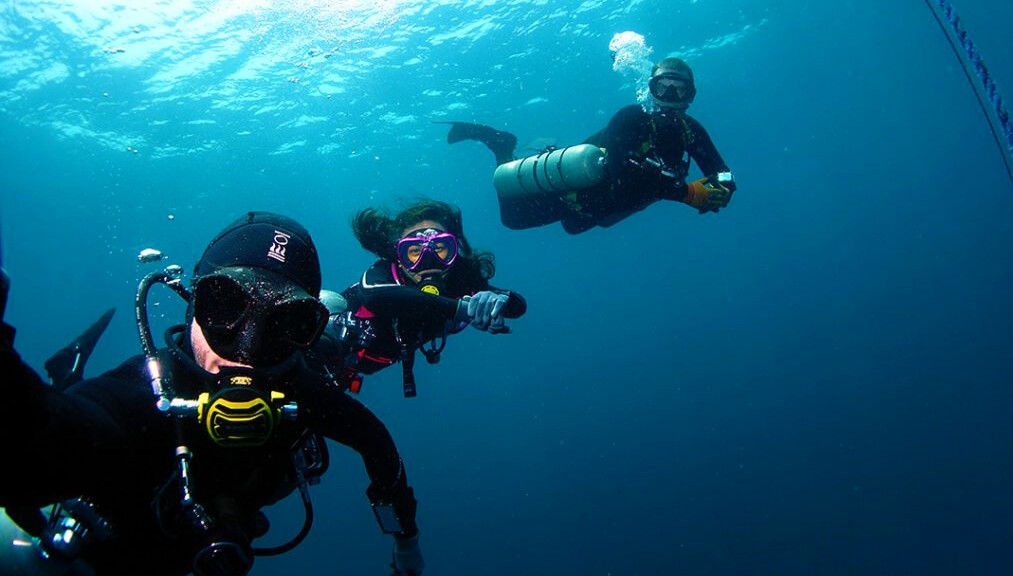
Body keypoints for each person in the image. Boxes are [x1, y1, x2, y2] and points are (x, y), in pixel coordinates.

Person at [0, 212, 425, 576]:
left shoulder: (307, 390)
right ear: (191, 306)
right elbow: (41, 439)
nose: (248, 349)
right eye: (224, 307)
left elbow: (379, 448)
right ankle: (67, 372)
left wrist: (405, 539)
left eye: (287, 323)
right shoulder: (139, 394)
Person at [441, 56, 737, 234]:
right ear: (651, 89)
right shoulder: (631, 118)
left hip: (598, 211)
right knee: (512, 220)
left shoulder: (691, 131)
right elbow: (624, 177)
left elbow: (722, 171)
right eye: (663, 86)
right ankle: (501, 145)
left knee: (572, 228)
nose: (670, 93)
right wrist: (687, 193)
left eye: (678, 88)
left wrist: (722, 190)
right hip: (576, 195)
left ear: (691, 94)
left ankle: (505, 147)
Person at [314, 199, 527, 398]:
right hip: (313, 350)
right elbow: (375, 297)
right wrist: (461, 309)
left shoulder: (460, 281)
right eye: (415, 251)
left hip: (346, 374)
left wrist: (494, 301)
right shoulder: (384, 275)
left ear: (454, 253)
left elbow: (517, 306)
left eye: (440, 249)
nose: (428, 261)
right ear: (400, 257)